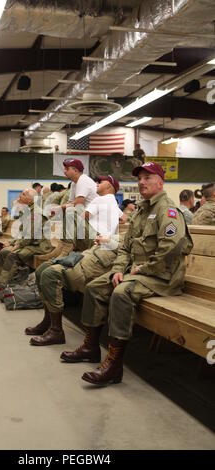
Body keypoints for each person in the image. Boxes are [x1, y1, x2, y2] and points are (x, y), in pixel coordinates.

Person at [60, 162, 193, 386]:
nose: (141, 182)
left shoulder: (168, 210)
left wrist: (141, 269)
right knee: (95, 287)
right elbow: (125, 247)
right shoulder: (141, 211)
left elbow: (171, 248)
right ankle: (91, 347)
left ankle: (114, 364)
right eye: (139, 178)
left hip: (162, 277)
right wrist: (118, 269)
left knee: (121, 293)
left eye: (147, 178)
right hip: (138, 272)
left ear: (161, 182)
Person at [27, 175, 123, 346]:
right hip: (100, 243)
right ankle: (49, 322)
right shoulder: (113, 203)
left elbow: (83, 216)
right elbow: (124, 219)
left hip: (98, 244)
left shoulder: (102, 200)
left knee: (72, 211)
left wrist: (64, 208)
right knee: (43, 270)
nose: (97, 184)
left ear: (110, 186)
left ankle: (65, 247)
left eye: (101, 182)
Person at [0, 189, 53, 299]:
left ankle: (1, 287)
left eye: (23, 194)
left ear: (30, 199)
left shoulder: (36, 213)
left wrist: (17, 246)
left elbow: (31, 235)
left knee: (13, 256)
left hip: (39, 246)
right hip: (30, 243)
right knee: (3, 252)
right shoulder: (28, 211)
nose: (20, 195)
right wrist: (12, 242)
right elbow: (22, 232)